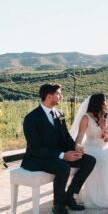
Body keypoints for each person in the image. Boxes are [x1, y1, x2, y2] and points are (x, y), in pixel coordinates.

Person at [21, 83, 96, 214]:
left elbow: (65, 136)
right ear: (49, 96)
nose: (61, 96)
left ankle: (69, 196)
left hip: (57, 156)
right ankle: (58, 205)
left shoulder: (59, 113)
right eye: (58, 94)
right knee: (63, 167)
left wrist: (75, 147)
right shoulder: (31, 118)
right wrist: (63, 155)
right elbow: (35, 148)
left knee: (89, 160)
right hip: (38, 158)